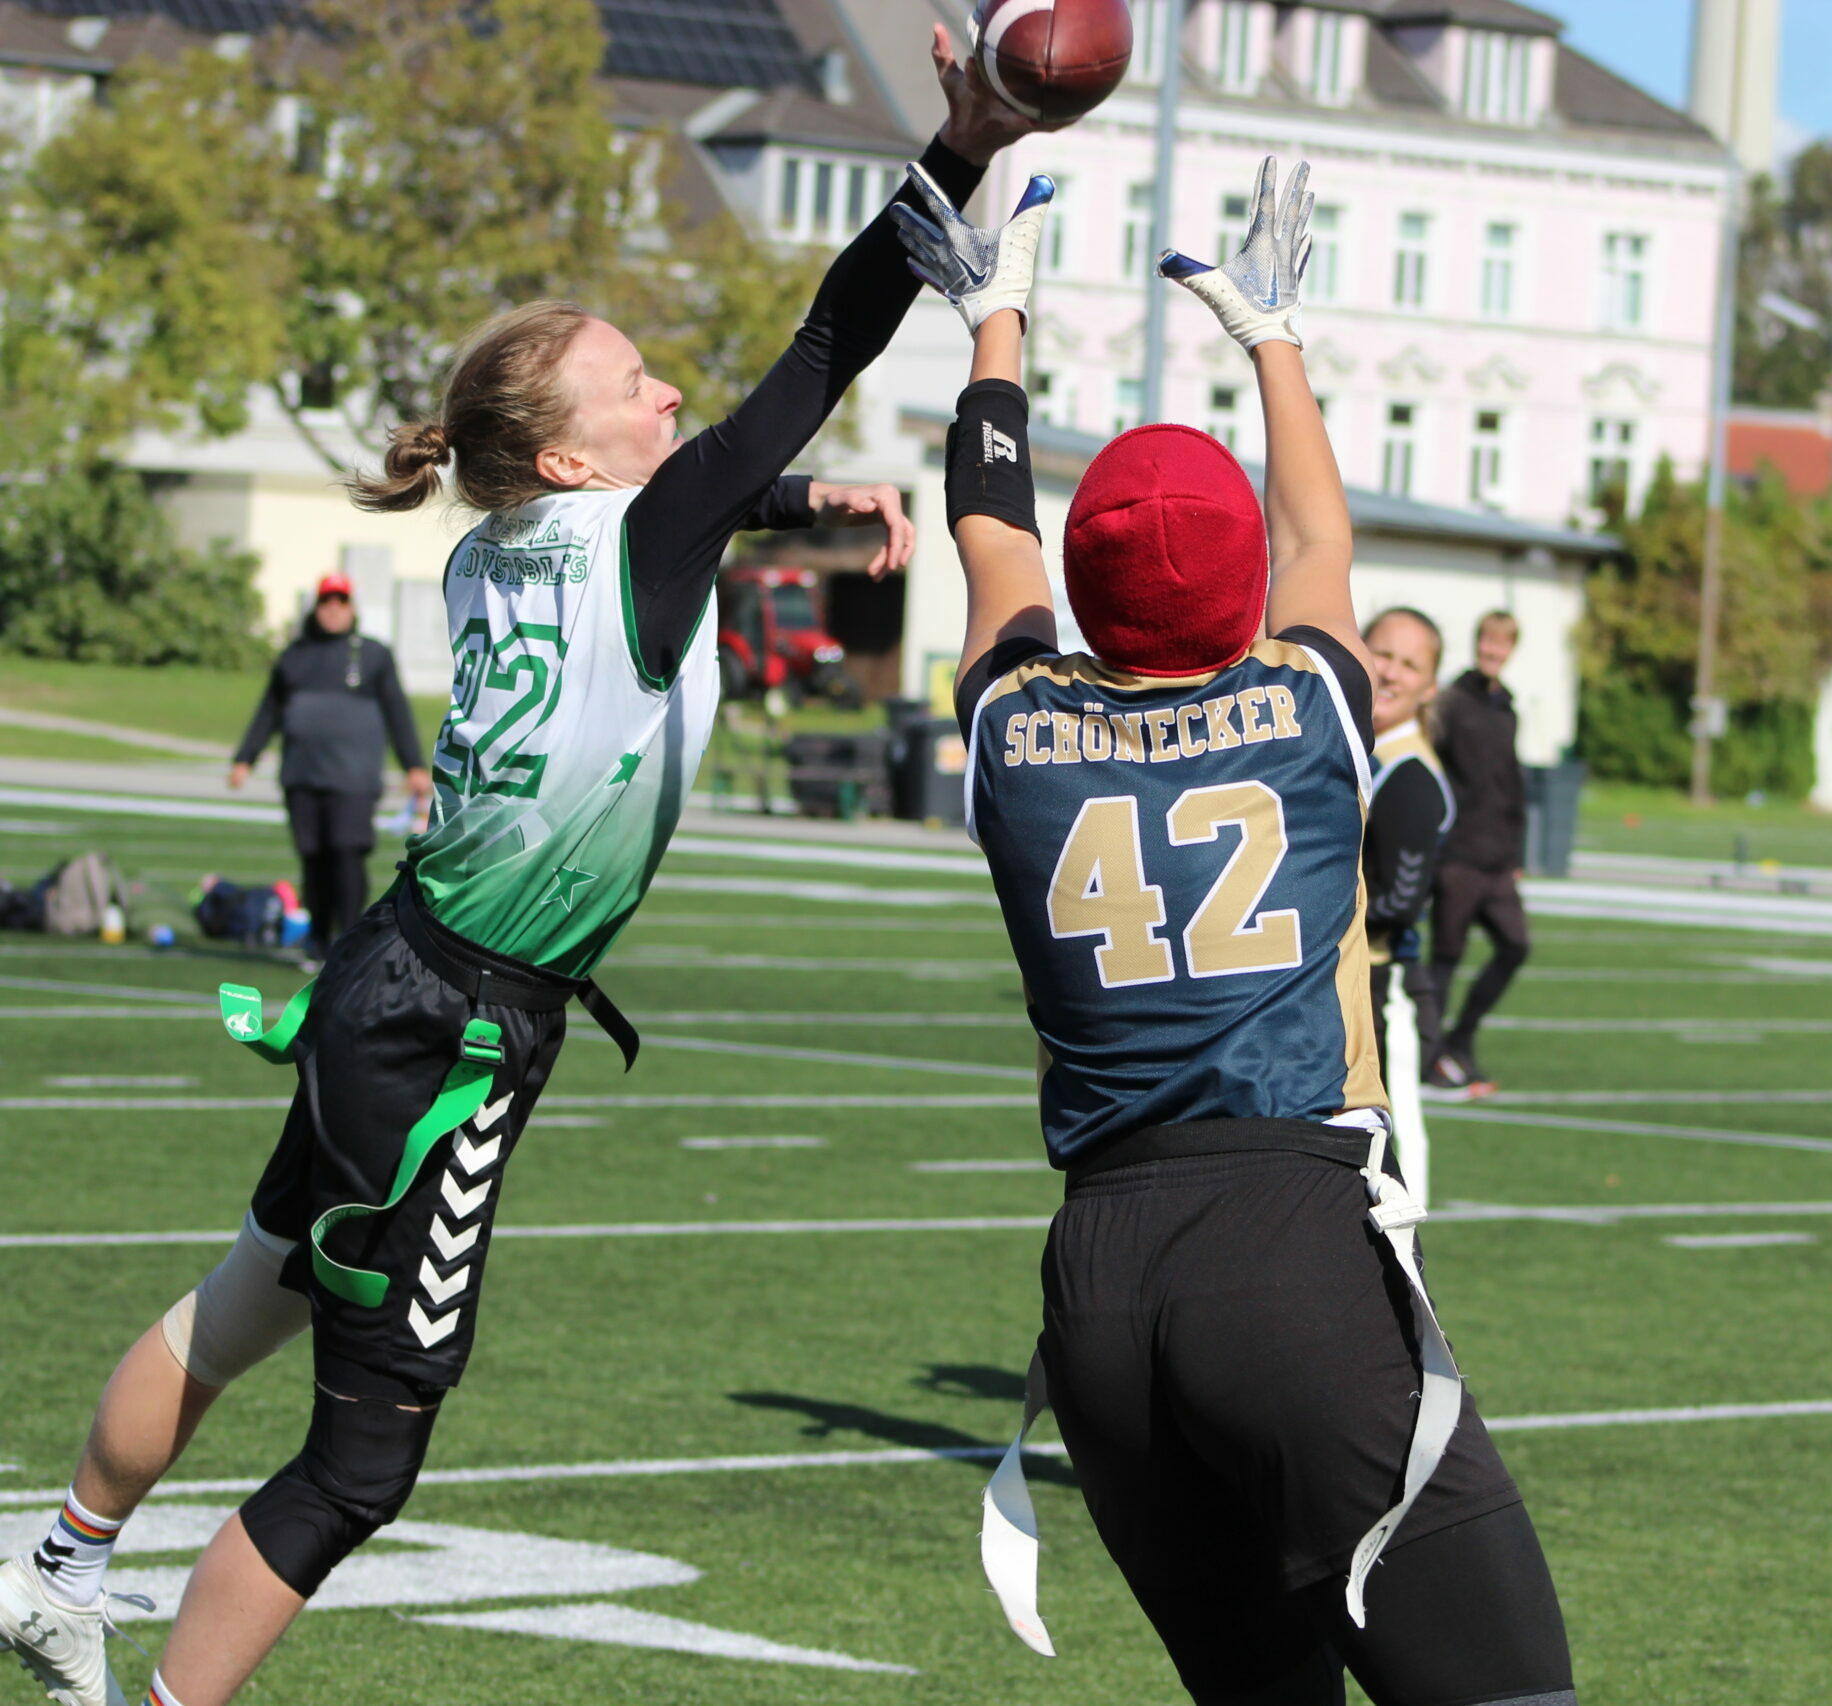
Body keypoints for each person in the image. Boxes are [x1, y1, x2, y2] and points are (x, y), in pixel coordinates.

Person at [0, 33, 1049, 1706]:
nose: (667, 397)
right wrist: (958, 143)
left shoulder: (504, 538)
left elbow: (693, 496)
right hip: (456, 1033)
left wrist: (786, 503)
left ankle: (57, 1562)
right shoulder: (635, 526)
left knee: (246, 1291)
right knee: (364, 1457)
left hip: (394, 972)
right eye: (636, 387)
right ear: (567, 454)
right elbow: (825, 340)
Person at [894, 157, 1574, 1704]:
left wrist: (990, 324)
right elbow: (1319, 536)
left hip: (1101, 1280)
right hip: (1285, 1242)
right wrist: (1276, 335)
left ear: (1082, 587)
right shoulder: (1311, 698)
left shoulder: (1017, 713)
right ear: (1248, 587)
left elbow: (989, 527)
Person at [229, 572, 431, 967]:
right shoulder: (296, 655)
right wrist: (245, 758)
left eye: (341, 601)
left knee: (346, 852)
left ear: (352, 607)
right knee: (313, 856)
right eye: (327, 601)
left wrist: (413, 765)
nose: (334, 609)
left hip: (352, 778)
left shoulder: (372, 655)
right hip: (302, 775)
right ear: (316, 607)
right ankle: (318, 939)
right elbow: (269, 710)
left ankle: (351, 939)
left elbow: (397, 712)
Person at [1362, 607, 1457, 1192]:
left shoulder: (1410, 775)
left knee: (1392, 1132)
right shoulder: (1356, 750)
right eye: (1382, 654)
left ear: (1430, 687)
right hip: (1341, 982)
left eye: (1409, 664)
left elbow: (1397, 902)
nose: (1391, 673)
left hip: (1382, 985)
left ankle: (1406, 1268)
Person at [1427, 609, 1529, 1094]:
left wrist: (1516, 852)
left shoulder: (1507, 708)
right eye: (1487, 642)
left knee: (1516, 945)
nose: (1493, 651)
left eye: (1502, 645)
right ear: (1477, 643)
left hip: (1496, 859)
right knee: (1446, 955)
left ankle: (1460, 1040)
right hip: (1457, 855)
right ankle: (1431, 1057)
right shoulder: (1451, 702)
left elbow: (1512, 784)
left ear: (1510, 650)